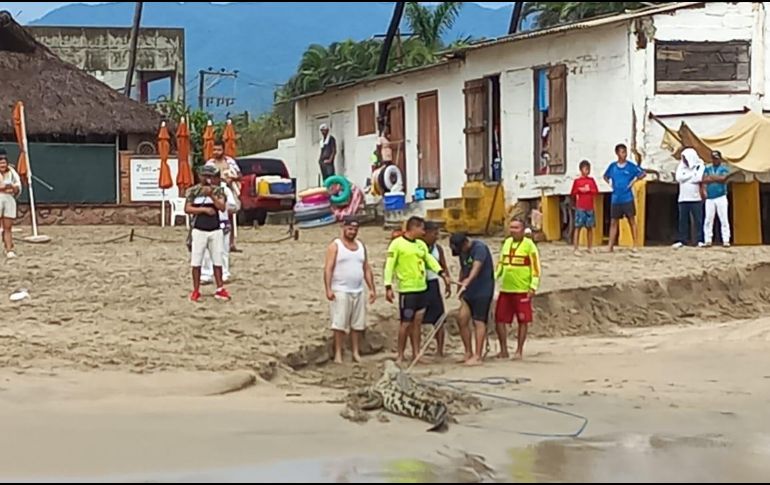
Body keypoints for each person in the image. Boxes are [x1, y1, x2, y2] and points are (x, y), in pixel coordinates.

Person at [384, 217, 450, 365]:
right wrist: (388, 286)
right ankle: (400, 355)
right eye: (421, 228)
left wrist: (442, 273)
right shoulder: (397, 244)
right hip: (408, 290)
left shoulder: (421, 244)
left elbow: (430, 260)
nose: (423, 231)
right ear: (413, 228)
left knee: (417, 322)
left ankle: (416, 353)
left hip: (422, 288)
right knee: (406, 322)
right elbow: (389, 266)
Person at [324, 216, 376, 365]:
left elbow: (366, 268)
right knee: (339, 323)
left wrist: (372, 288)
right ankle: (338, 353)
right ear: (343, 228)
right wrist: (328, 288)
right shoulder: (335, 246)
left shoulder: (361, 246)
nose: (352, 232)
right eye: (350, 229)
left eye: (355, 229)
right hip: (340, 289)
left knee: (357, 324)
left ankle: (355, 352)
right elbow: (328, 268)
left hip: (358, 289)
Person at [495, 219, 541, 361]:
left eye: (516, 227)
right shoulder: (507, 243)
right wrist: (494, 278)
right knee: (499, 319)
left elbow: (536, 267)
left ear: (523, 230)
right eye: (511, 227)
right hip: (506, 288)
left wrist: (533, 286)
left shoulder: (530, 246)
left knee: (523, 321)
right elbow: (501, 263)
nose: (513, 230)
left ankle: (519, 350)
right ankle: (503, 350)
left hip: (522, 289)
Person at [185, 165, 231, 303]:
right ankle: (196, 290)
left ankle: (219, 288)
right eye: (205, 176)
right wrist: (204, 210)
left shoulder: (219, 191)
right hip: (199, 230)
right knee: (196, 261)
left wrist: (211, 195)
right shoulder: (193, 191)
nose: (207, 179)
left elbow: (222, 207)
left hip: (215, 229)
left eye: (210, 176)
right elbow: (187, 208)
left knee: (217, 260)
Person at [450, 233, 495, 366]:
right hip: (468, 291)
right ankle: (468, 351)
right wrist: (460, 285)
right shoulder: (462, 252)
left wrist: (468, 281)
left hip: (483, 290)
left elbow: (476, 267)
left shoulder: (479, 248)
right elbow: (464, 269)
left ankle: (478, 355)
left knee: (478, 321)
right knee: (462, 318)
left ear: (465, 243)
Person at [604, 144, 646, 252]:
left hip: (627, 198)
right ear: (617, 153)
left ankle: (635, 244)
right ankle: (610, 246)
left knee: (631, 220)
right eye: (622, 152)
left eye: (625, 152)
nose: (624, 154)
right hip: (616, 198)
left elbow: (642, 173)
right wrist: (610, 184)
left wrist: (634, 180)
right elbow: (605, 176)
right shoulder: (613, 166)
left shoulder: (630, 166)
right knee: (614, 222)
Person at [201, 169, 239, 284]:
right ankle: (206, 274)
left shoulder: (225, 190)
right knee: (206, 250)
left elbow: (233, 206)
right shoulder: (201, 189)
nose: (209, 180)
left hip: (221, 222)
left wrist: (222, 204)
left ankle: (224, 273)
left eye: (211, 177)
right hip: (205, 222)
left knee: (222, 250)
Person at [421, 221, 451, 358]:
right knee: (416, 319)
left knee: (439, 319)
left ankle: (440, 350)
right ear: (425, 233)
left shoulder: (437, 249)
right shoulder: (417, 247)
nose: (437, 236)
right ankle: (416, 349)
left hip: (433, 284)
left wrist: (447, 282)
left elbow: (443, 265)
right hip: (419, 284)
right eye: (434, 233)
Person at [206, 141, 242, 252]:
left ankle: (231, 243)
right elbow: (206, 178)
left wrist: (232, 179)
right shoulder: (210, 164)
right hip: (215, 192)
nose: (216, 152)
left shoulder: (230, 162)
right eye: (215, 150)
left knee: (229, 216)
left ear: (223, 150)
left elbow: (240, 175)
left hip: (229, 190)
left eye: (219, 150)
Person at [674, 148, 706, 249]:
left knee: (698, 220)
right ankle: (682, 240)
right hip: (683, 198)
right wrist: (692, 175)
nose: (684, 160)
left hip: (695, 198)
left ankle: (700, 240)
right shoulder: (681, 166)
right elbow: (678, 178)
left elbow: (698, 178)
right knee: (682, 220)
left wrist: (686, 177)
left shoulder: (700, 165)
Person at [702, 151, 732, 248]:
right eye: (714, 158)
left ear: (720, 158)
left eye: (717, 158)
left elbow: (723, 178)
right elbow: (704, 179)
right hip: (710, 197)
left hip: (721, 196)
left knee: (723, 219)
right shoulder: (708, 168)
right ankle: (707, 240)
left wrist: (711, 177)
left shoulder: (724, 168)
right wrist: (716, 178)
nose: (715, 160)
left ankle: (726, 240)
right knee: (708, 219)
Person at [571, 160, 600, 254]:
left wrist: (589, 190)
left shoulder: (591, 181)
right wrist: (580, 190)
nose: (587, 171)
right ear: (581, 170)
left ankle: (590, 246)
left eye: (588, 169)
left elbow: (596, 191)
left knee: (590, 227)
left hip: (590, 207)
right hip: (580, 207)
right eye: (585, 169)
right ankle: (576, 248)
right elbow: (573, 193)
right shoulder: (577, 181)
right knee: (577, 227)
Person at [0, 149, 21, 259]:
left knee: (8, 227)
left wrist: (13, 187)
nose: (2, 165)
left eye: (4, 162)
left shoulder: (12, 172)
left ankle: (9, 249)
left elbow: (18, 187)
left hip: (9, 200)